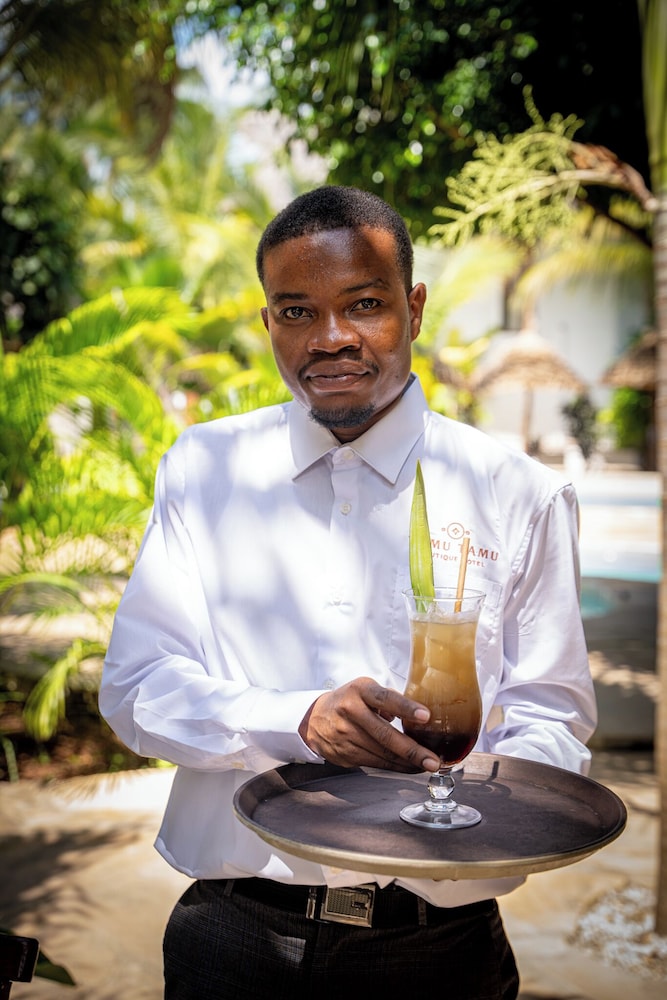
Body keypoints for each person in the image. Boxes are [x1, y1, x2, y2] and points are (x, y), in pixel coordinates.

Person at [100, 185, 597, 1000]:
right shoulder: (203, 469)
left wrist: (470, 804)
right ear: (267, 322)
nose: (329, 338)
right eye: (296, 312)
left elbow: (551, 716)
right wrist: (296, 720)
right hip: (233, 934)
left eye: (363, 305)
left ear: (414, 307)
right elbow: (136, 690)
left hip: (437, 949)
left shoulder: (515, 492)